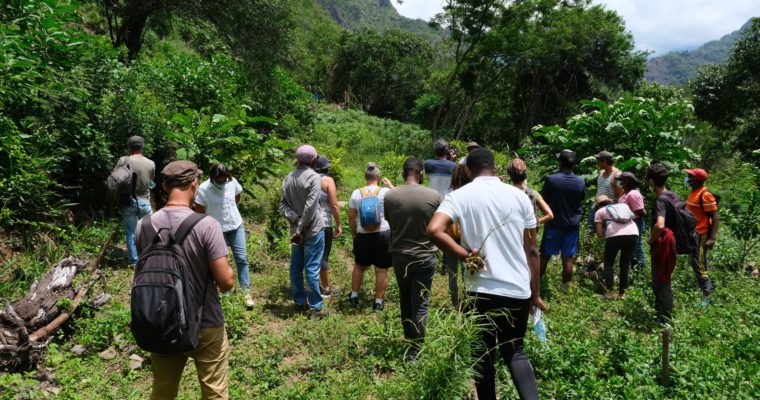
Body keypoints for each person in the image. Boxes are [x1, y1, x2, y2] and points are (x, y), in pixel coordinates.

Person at [427, 148, 545, 400]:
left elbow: (434, 230)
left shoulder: (459, 196)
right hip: (517, 289)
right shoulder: (520, 196)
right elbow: (532, 251)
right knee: (515, 351)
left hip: (478, 290)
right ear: (495, 168)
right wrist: (536, 294)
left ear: (468, 170)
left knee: (482, 354)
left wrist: (465, 255)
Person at [136, 160, 235, 399]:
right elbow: (226, 283)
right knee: (214, 392)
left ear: (164, 185)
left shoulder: (144, 225)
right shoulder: (207, 225)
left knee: (163, 390)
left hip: (161, 321)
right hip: (205, 322)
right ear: (194, 184)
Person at [384, 158, 441, 362]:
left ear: (403, 173)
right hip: (425, 256)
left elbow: (390, 222)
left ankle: (409, 341)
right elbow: (439, 226)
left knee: (405, 298)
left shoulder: (390, 196)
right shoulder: (434, 196)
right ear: (421, 173)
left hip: (400, 256)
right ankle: (416, 350)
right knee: (421, 303)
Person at [194, 164, 255, 309]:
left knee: (242, 258)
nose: (223, 181)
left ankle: (245, 292)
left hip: (235, 225)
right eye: (220, 180)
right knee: (220, 261)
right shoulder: (203, 189)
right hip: (216, 229)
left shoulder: (232, 182)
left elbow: (237, 197)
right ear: (213, 178)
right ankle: (225, 291)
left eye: (225, 179)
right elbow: (199, 211)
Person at [279, 145, 326, 316]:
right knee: (312, 269)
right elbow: (311, 206)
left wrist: (295, 220)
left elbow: (282, 205)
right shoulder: (314, 177)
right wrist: (301, 226)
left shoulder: (288, 178)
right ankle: (316, 307)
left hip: (296, 233)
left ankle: (299, 302)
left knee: (295, 268)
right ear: (313, 160)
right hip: (312, 230)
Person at [347, 162, 394, 312]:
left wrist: (355, 234)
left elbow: (351, 218)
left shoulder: (356, 193)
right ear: (378, 178)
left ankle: (354, 296)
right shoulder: (386, 192)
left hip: (363, 235)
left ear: (365, 177)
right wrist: (391, 186)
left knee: (359, 267)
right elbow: (400, 198)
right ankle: (378, 303)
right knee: (381, 270)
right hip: (384, 234)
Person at [539, 149, 585, 288]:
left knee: (545, 256)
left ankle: (537, 283)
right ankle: (565, 287)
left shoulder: (552, 180)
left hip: (553, 224)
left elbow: (542, 199)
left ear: (560, 163)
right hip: (572, 225)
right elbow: (580, 199)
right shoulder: (580, 182)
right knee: (568, 259)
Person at [424, 139, 459, 307]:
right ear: (447, 151)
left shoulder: (428, 164)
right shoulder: (453, 166)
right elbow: (453, 174)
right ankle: (445, 263)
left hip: (431, 199)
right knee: (447, 233)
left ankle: (433, 258)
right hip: (447, 201)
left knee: (432, 231)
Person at [644, 163, 679, 323]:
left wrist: (650, 239)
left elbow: (660, 224)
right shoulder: (673, 195)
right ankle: (662, 312)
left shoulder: (660, 201)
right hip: (672, 243)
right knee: (664, 277)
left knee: (661, 279)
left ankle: (664, 317)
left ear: (651, 181)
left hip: (662, 245)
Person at [114, 135, 155, 266]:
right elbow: (151, 181)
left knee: (131, 231)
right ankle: (148, 258)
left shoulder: (123, 160)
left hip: (127, 201)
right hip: (144, 201)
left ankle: (134, 261)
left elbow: (115, 178)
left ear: (129, 147)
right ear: (142, 147)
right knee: (148, 231)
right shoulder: (150, 163)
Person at [593, 195, 638, 299]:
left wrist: (606, 229)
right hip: (633, 232)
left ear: (599, 205)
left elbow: (599, 234)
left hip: (614, 235)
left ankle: (610, 291)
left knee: (608, 264)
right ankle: (622, 293)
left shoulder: (600, 212)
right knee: (625, 264)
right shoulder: (621, 206)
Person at [684, 168, 717, 298]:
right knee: (697, 261)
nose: (687, 178)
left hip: (702, 234)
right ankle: (705, 288)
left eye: (689, 176)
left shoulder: (705, 194)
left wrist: (712, 238)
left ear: (696, 180)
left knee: (699, 263)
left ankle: (707, 293)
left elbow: (715, 217)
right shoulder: (694, 192)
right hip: (693, 233)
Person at [444, 164, 473, 308]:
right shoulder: (472, 197)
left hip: (450, 241)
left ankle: (456, 305)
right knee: (468, 272)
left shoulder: (449, 197)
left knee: (452, 274)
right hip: (468, 240)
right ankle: (468, 302)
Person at [314, 155, 342, 295]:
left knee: (311, 255)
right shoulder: (327, 180)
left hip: (308, 224)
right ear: (326, 167)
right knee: (323, 255)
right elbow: (334, 205)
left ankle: (312, 286)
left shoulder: (308, 178)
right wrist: (339, 224)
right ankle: (325, 289)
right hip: (324, 223)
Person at [507, 158, 554, 227]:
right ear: (525, 174)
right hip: (529, 234)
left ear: (510, 175)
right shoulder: (532, 193)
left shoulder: (506, 192)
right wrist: (533, 223)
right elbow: (550, 215)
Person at [617, 172, 647, 270]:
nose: (619, 183)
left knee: (637, 246)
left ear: (628, 182)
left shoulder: (632, 194)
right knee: (630, 247)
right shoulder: (626, 193)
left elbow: (642, 212)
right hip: (629, 224)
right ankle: (634, 269)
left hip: (636, 222)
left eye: (622, 181)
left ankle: (640, 269)